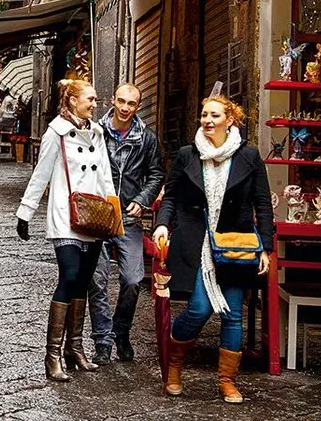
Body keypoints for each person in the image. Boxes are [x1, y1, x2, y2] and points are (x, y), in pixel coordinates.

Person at [152, 94, 273, 404]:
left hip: (235, 243)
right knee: (199, 309)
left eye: (214, 116)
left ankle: (227, 381)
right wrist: (163, 224)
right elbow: (170, 196)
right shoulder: (187, 155)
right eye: (204, 115)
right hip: (197, 244)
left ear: (229, 120)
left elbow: (262, 202)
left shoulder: (249, 156)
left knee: (233, 313)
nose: (207, 120)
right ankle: (174, 366)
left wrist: (265, 248)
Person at [16, 79, 116, 382]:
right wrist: (25, 212)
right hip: (65, 215)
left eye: (96, 99)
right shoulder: (55, 133)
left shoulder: (97, 133)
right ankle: (53, 355)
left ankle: (75, 348)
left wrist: (114, 213)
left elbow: (106, 176)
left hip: (95, 217)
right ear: (72, 101)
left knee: (84, 280)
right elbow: (41, 173)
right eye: (90, 99)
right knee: (69, 276)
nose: (95, 104)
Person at [87, 83, 165, 365]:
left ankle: (121, 333)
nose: (124, 107)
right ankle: (103, 342)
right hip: (97, 216)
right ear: (112, 100)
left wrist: (142, 199)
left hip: (129, 219)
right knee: (97, 281)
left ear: (137, 106)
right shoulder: (94, 131)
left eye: (130, 104)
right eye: (120, 101)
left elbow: (157, 175)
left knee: (133, 279)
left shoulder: (147, 138)